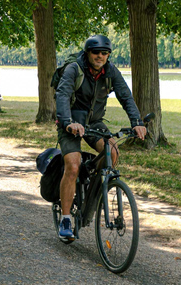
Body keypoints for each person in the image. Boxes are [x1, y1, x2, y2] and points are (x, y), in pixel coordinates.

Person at [55, 34, 147, 242]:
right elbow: (62, 94)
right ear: (88, 53)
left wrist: (137, 122)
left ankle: (93, 190)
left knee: (112, 153)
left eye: (105, 53)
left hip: (94, 123)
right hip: (70, 122)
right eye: (96, 52)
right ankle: (67, 218)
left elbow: (125, 96)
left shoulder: (110, 71)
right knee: (73, 165)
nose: (100, 56)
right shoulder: (74, 69)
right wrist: (67, 121)